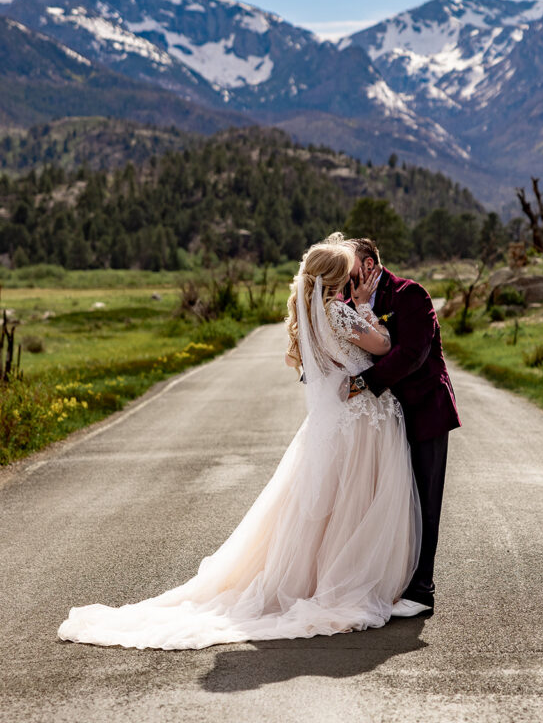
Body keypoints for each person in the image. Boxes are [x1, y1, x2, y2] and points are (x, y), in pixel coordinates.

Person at [57, 241, 421, 649]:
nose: (355, 278)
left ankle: (325, 579)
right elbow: (385, 346)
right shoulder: (339, 311)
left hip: (340, 421)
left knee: (332, 509)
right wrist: (365, 305)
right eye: (349, 273)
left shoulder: (312, 316)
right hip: (359, 422)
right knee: (354, 506)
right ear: (337, 279)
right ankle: (350, 582)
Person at [344, 235, 461, 618]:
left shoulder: (412, 295)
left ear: (369, 265)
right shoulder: (350, 305)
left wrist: (361, 384)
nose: (346, 277)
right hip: (382, 423)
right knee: (391, 501)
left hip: (425, 409)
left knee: (426, 501)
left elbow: (412, 354)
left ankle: (422, 589)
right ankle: (389, 581)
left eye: (350, 267)